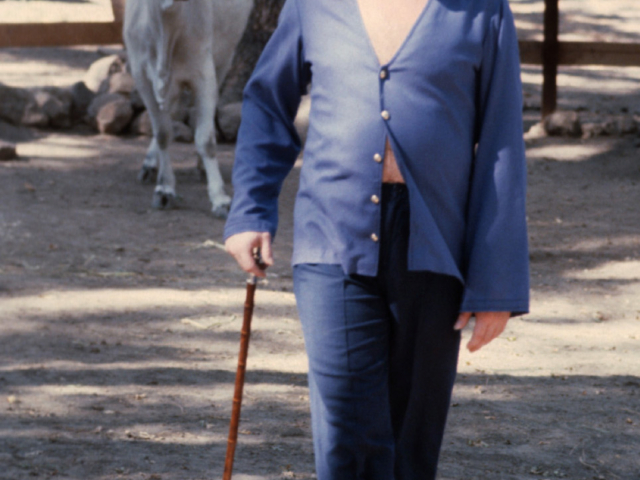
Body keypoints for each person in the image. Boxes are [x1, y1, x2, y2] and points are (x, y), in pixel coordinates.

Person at [224, 0, 529, 478]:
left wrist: (497, 282)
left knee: (413, 438)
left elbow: (501, 141)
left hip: (436, 241)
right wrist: (250, 209)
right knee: (349, 429)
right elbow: (267, 102)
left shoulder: (482, 11)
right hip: (332, 234)